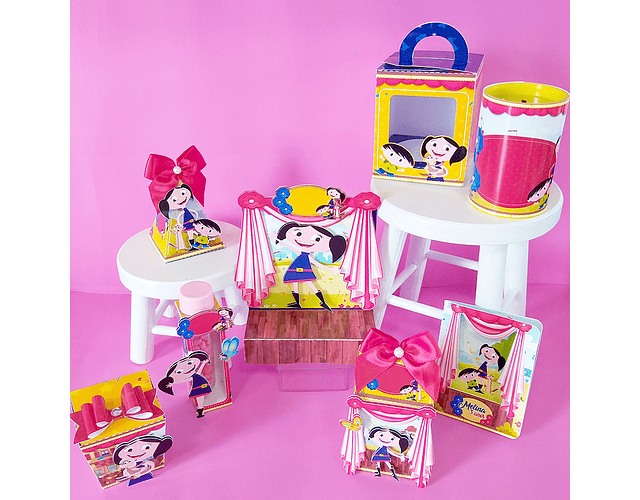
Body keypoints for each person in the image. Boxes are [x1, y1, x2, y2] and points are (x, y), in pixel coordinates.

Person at [275, 222, 347, 311]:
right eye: (299, 234)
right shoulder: (301, 253)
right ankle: (297, 303)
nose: (304, 240)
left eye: (317, 239)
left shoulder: (307, 256)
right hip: (295, 269)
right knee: (295, 284)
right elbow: (290, 247)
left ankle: (323, 302)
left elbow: (317, 264)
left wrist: (332, 269)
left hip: (304, 270)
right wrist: (277, 238)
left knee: (310, 284)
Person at [158, 351, 212, 418]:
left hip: (202, 385)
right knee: (200, 399)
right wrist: (173, 383)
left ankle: (200, 410)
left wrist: (203, 363)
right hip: (199, 386)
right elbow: (184, 380)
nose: (188, 368)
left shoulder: (194, 375)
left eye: (189, 363)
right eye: (179, 372)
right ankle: (200, 410)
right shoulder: (193, 377)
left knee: (200, 398)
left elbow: (197, 373)